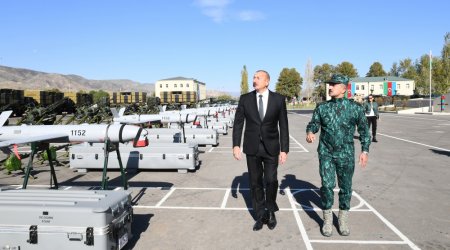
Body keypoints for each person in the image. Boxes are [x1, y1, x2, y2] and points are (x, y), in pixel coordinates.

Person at [305, 74, 370, 237]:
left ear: (343, 88)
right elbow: (314, 123)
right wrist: (310, 131)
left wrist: (365, 150)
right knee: (327, 186)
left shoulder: (355, 108)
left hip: (346, 154)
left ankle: (342, 219)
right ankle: (327, 219)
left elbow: (364, 131)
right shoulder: (322, 107)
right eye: (330, 84)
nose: (330, 87)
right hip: (326, 152)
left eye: (334, 84)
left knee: (345, 187)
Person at [232, 70, 289, 231]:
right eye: (254, 77)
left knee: (271, 181)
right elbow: (238, 123)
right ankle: (260, 215)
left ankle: (271, 212)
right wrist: (236, 145)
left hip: (271, 147)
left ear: (267, 81)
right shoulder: (245, 99)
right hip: (252, 147)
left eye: (258, 78)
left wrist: (284, 149)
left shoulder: (278, 99)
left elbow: (283, 125)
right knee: (255, 183)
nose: (254, 80)